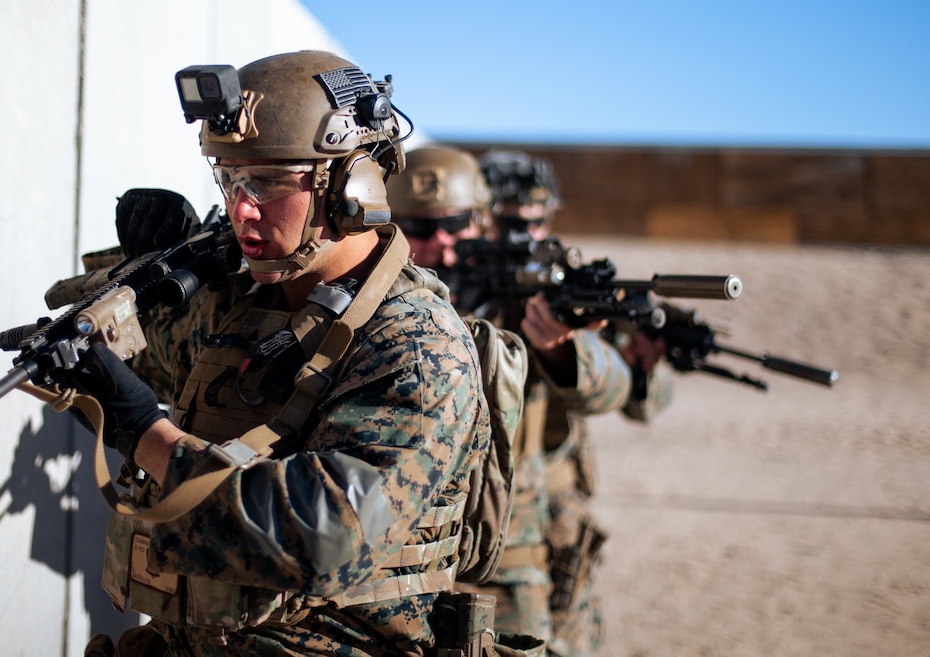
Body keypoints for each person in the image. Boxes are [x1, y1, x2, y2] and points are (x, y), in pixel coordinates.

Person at [59, 51, 497, 657]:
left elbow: (325, 534)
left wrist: (145, 435)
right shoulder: (245, 303)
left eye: (265, 181)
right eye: (229, 180)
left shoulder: (417, 344)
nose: (242, 208)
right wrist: (142, 270)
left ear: (350, 183)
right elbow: (127, 360)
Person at [386, 145, 635, 653]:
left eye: (455, 226)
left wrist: (563, 350)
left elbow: (614, 385)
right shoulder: (382, 290)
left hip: (505, 549)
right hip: (397, 545)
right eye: (422, 229)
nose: (442, 245)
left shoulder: (524, 294)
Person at [478, 150, 674, 656]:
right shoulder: (462, 280)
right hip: (490, 517)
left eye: (536, 223)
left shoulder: (567, 284)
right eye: (507, 223)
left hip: (557, 517)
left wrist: (595, 357)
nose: (525, 237)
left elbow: (633, 397)